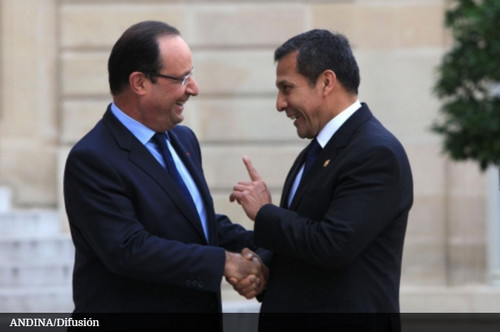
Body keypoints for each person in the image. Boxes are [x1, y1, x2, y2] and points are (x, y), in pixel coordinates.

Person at [63, 21, 267, 331]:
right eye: (182, 78)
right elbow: (129, 250)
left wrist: (270, 243)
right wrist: (224, 262)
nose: (194, 88)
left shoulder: (183, 140)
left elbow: (197, 225)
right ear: (139, 83)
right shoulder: (92, 159)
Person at [230, 29, 413, 331]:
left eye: (287, 88)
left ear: (327, 82)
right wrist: (261, 267)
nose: (280, 103)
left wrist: (265, 212)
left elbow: (332, 245)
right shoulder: (316, 151)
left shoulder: (375, 152)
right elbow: (303, 245)